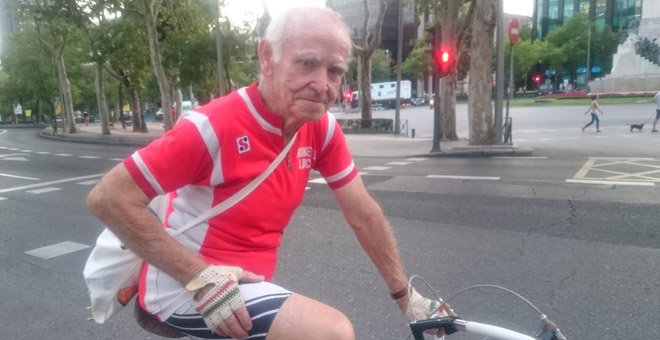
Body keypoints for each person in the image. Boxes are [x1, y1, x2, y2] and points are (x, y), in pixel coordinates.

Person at [87, 6, 443, 340]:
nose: (323, 84)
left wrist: (407, 298)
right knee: (331, 333)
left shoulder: (321, 129)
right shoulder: (212, 127)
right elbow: (108, 198)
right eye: (307, 63)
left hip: (251, 284)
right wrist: (199, 277)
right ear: (267, 57)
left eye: (334, 71)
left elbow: (362, 212)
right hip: (186, 286)